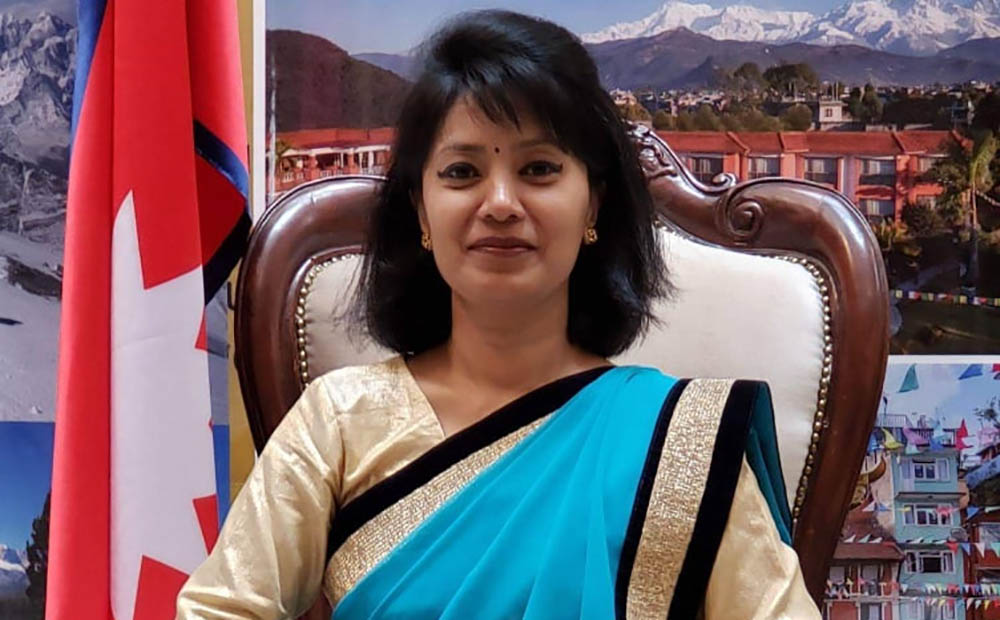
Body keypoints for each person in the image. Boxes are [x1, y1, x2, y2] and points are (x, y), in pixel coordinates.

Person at [176, 9, 820, 619]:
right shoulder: (340, 423)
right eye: (462, 172)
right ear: (422, 210)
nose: (501, 203)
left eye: (539, 168)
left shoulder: (679, 444)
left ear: (593, 204)